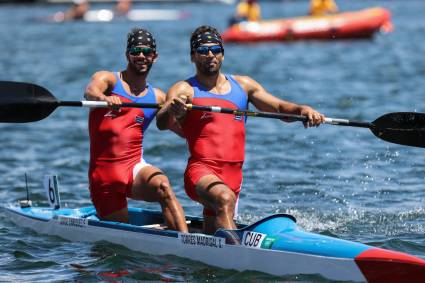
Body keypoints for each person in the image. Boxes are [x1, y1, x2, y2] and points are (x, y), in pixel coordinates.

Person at [156, 25, 325, 234]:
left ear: (223, 55)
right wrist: (173, 109)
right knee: (224, 199)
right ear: (193, 57)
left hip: (234, 176)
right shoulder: (184, 89)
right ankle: (239, 256)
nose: (210, 55)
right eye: (202, 50)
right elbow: (161, 122)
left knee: (214, 233)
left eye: (215, 49)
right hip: (201, 171)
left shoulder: (244, 86)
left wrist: (302, 109)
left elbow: (280, 108)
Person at [84, 27, 188, 232]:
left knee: (163, 186)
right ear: (127, 54)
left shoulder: (158, 97)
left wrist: (183, 115)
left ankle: (187, 243)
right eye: (136, 50)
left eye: (147, 51)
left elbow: (182, 130)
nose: (141, 55)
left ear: (154, 57)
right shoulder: (109, 80)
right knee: (118, 248)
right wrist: (104, 99)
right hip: (104, 176)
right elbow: (90, 92)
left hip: (133, 168)